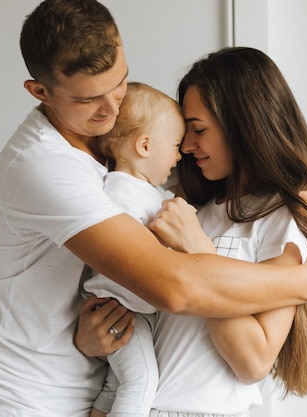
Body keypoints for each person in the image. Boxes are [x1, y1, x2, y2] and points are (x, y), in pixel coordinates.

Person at [0, 1, 307, 416]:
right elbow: (175, 288)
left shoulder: (124, 152)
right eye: (90, 99)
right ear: (40, 92)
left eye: (120, 84)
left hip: (96, 383)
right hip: (30, 396)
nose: (112, 111)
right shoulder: (45, 167)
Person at [82, 82, 185, 417]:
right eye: (175, 146)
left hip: (132, 310)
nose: (179, 156)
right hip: (119, 309)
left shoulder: (145, 191)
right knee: (140, 383)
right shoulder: (120, 194)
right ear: (144, 145)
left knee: (116, 385)